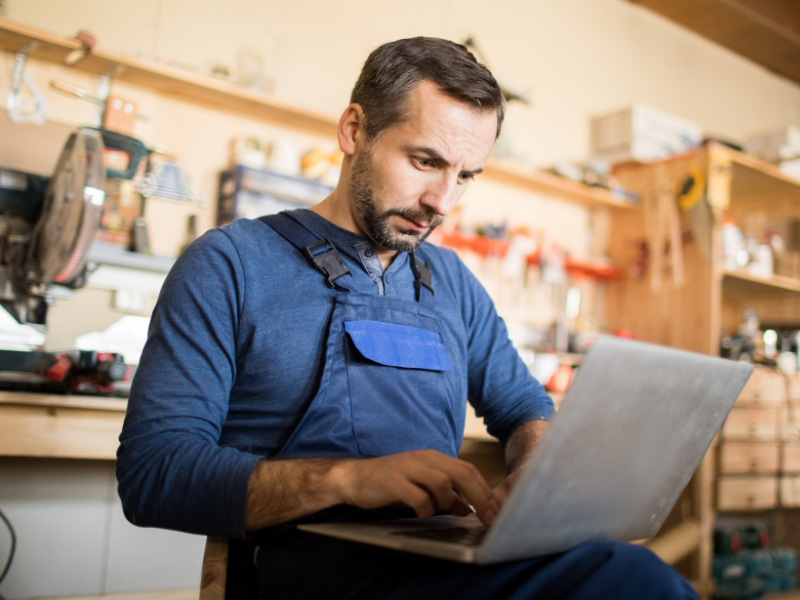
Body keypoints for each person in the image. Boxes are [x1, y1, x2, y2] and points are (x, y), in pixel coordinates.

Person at [117, 37, 698, 599]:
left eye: (466, 176)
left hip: (436, 557)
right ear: (354, 130)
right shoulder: (229, 264)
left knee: (622, 571)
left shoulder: (451, 282)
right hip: (303, 572)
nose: (442, 202)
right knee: (632, 581)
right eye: (426, 161)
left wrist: (538, 470)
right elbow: (154, 474)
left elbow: (524, 408)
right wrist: (347, 479)